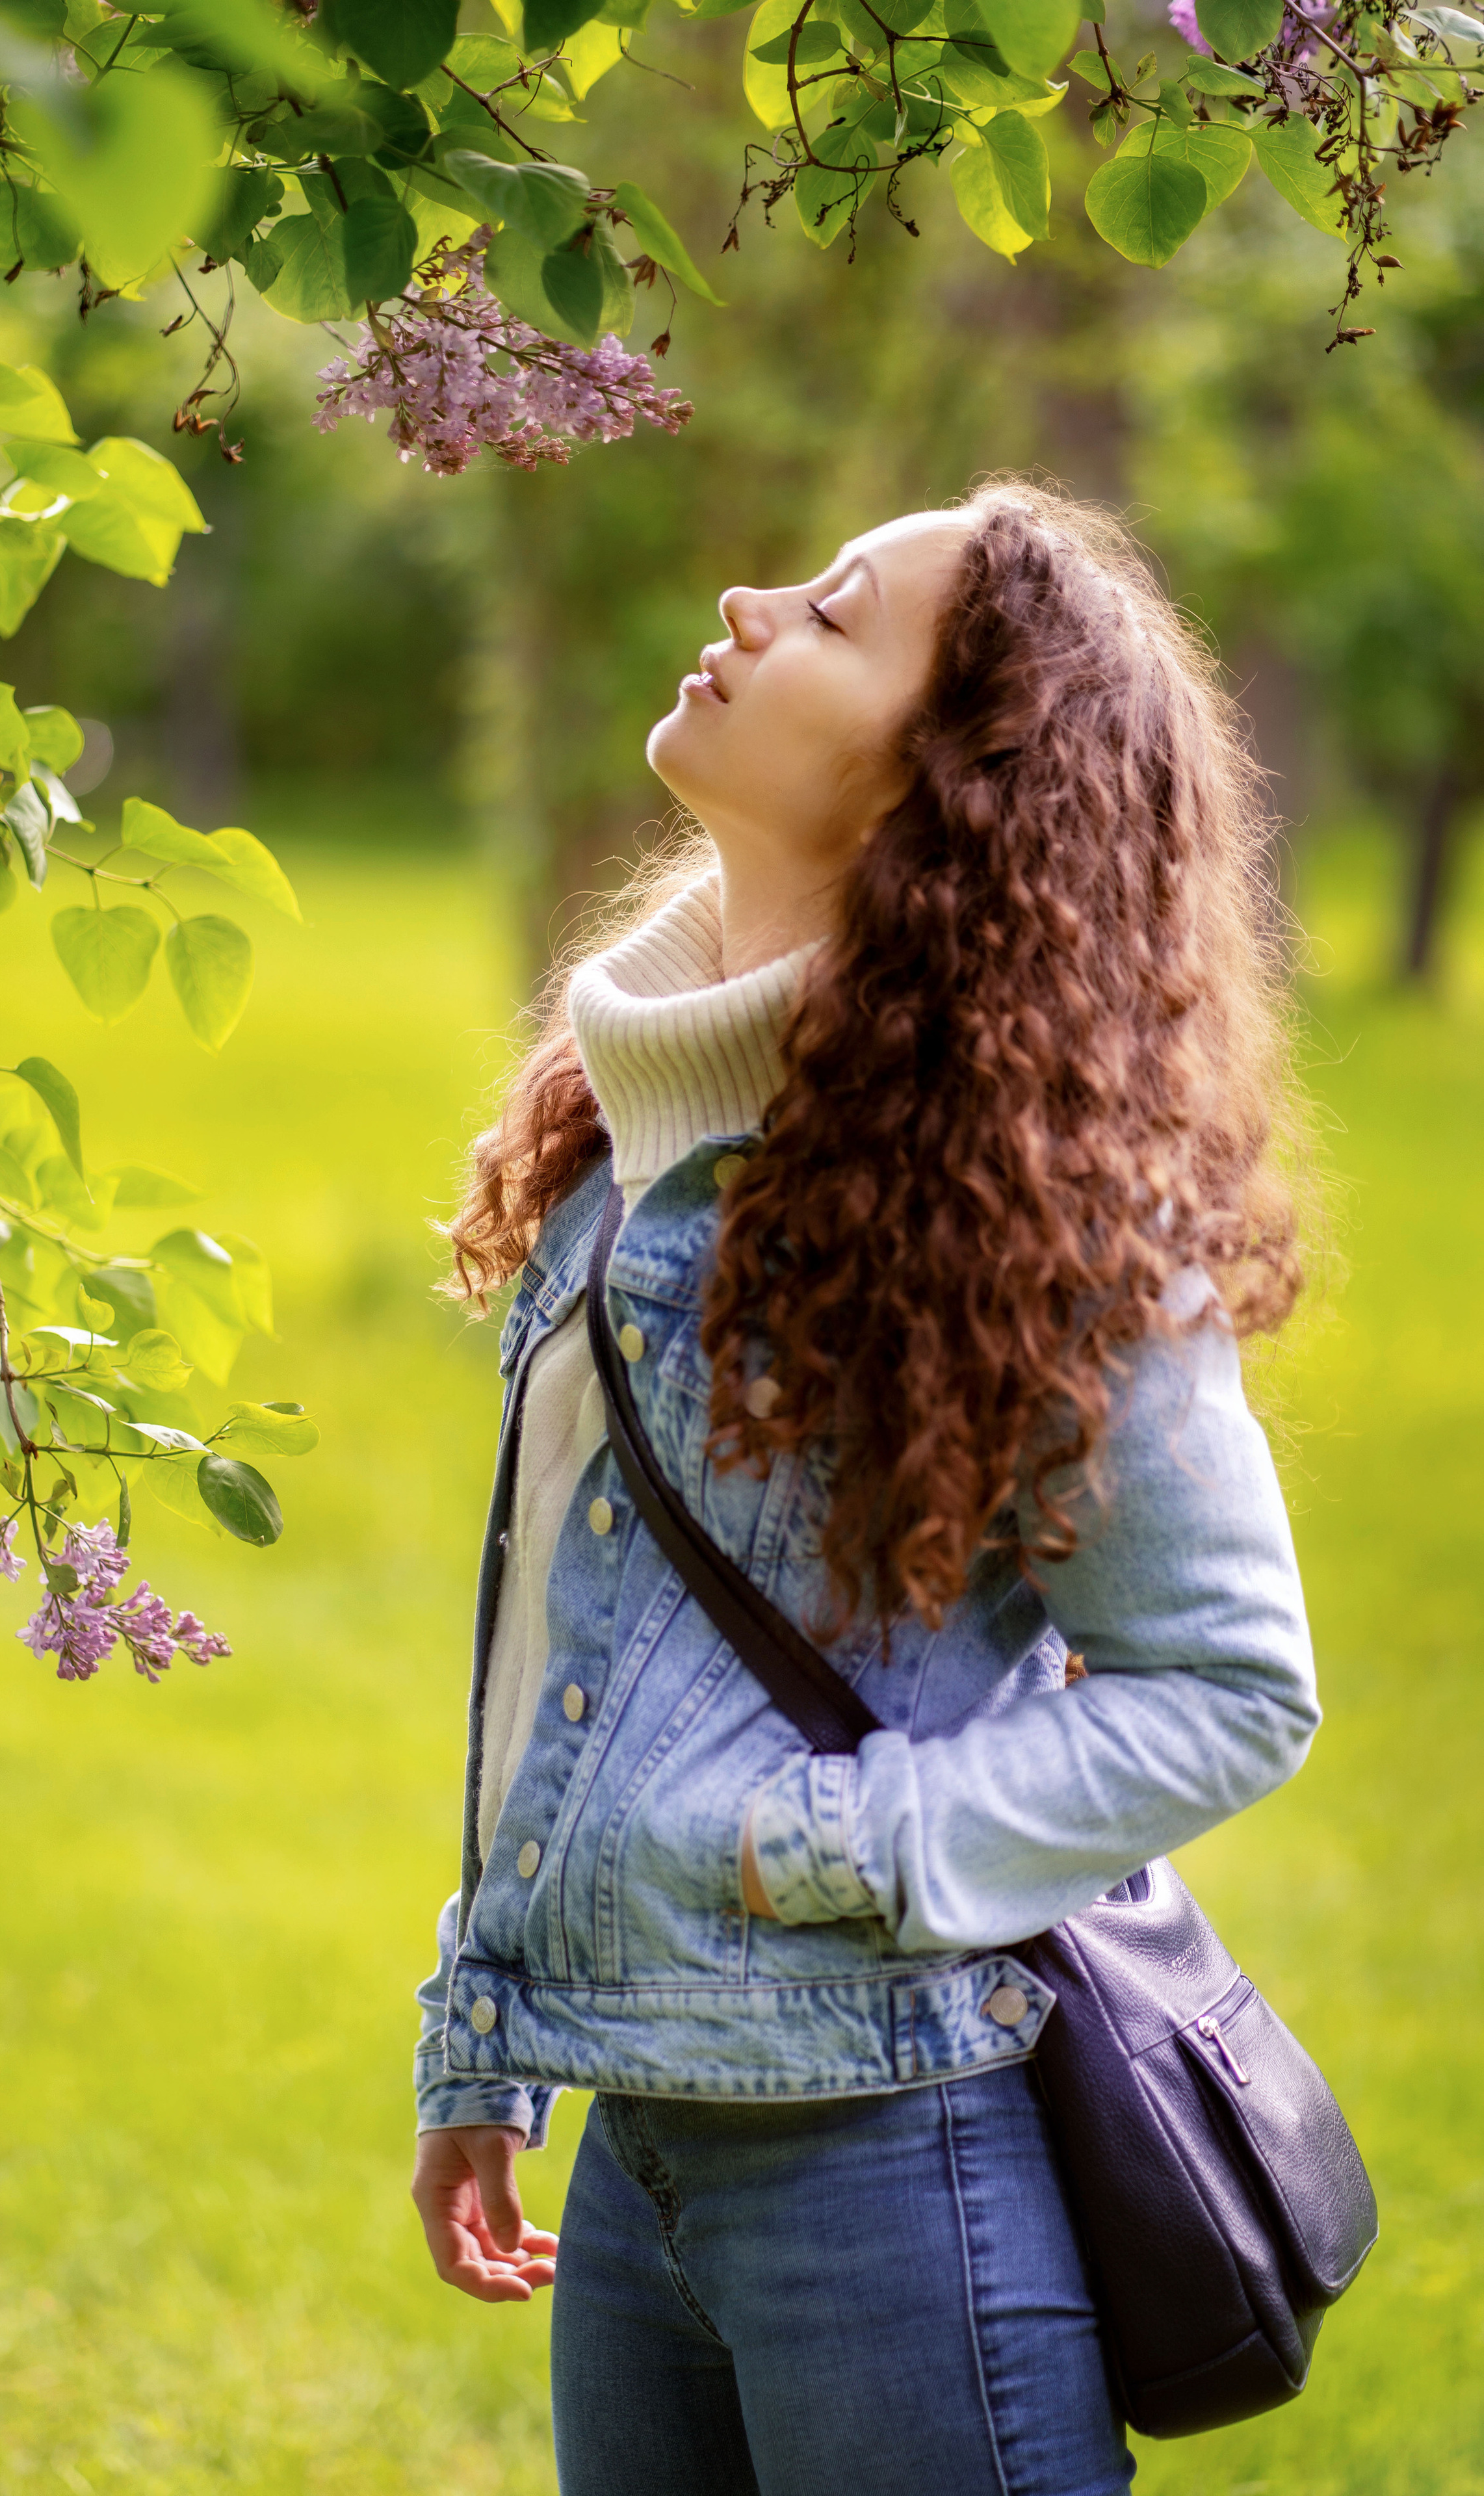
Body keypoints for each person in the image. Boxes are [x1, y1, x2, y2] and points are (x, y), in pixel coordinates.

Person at [408, 481, 1320, 2496]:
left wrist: (816, 1845)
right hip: (639, 2143)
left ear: (943, 784)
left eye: (833, 616)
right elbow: (569, 1635)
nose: (748, 602)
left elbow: (1232, 1681)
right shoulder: (626, 1120)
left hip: (892, 2154)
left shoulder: (1040, 1202)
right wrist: (483, 2026)